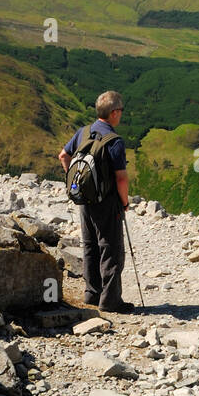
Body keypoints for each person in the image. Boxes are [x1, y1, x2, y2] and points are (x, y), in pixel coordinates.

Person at [58, 90, 135, 314]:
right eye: (120, 111)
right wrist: (124, 202)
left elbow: (63, 155)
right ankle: (111, 301)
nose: (121, 115)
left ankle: (92, 294)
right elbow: (121, 177)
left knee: (90, 245)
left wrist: (76, 184)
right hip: (107, 201)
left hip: (85, 199)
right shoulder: (114, 141)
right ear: (113, 113)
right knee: (111, 249)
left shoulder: (82, 132)